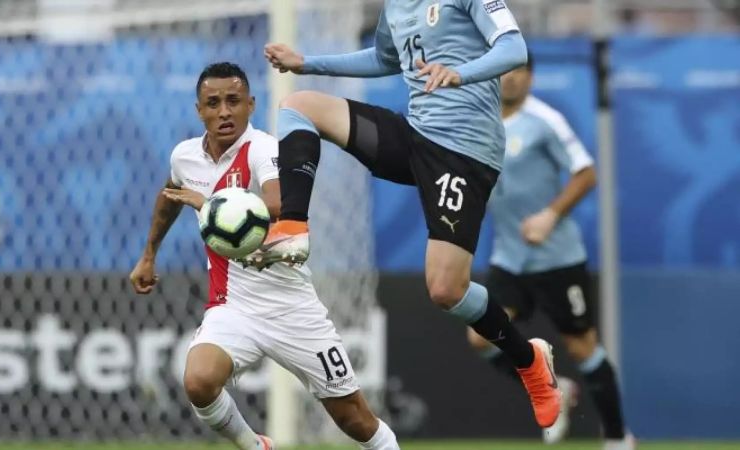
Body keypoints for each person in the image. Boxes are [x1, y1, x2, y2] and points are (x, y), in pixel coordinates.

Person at [254, 0, 560, 428]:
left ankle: (529, 361)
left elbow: (513, 49)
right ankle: (292, 224)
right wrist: (307, 63)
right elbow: (384, 58)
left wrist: (462, 72)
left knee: (445, 289)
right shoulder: (396, 5)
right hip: (416, 136)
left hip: (464, 152)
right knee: (298, 105)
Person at [129, 62, 400, 450]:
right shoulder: (185, 157)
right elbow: (169, 196)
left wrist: (208, 205)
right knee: (199, 381)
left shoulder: (264, 148)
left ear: (251, 104)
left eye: (234, 101)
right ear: (198, 110)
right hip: (233, 305)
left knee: (352, 417)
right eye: (213, 103)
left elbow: (277, 205)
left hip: (290, 305)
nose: (224, 111)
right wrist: (149, 254)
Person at [467, 54, 635, 450]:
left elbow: (586, 173)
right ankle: (556, 387)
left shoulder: (546, 120)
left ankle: (617, 437)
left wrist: (549, 215)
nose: (510, 79)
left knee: (583, 346)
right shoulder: (481, 123)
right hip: (510, 258)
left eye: (519, 71)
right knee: (481, 337)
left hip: (556, 258)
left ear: (531, 77)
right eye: (504, 71)